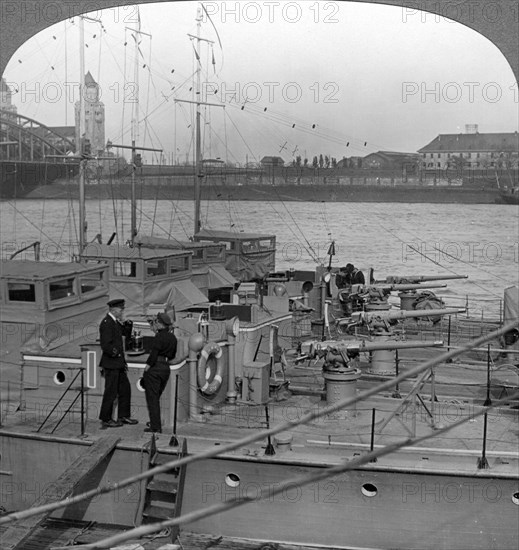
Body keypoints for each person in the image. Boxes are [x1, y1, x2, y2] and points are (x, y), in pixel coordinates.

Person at [98, 299, 139, 428]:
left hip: (118, 363)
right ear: (114, 310)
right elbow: (106, 345)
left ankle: (123, 416)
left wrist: (128, 325)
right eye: (121, 310)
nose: (122, 312)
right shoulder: (106, 323)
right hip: (111, 363)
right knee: (111, 391)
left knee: (125, 389)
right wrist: (116, 354)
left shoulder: (115, 322)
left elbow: (124, 334)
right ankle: (106, 418)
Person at [143, 312, 177, 434]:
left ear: (160, 324)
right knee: (156, 396)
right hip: (165, 369)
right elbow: (172, 355)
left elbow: (153, 354)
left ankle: (155, 427)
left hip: (155, 368)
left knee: (152, 399)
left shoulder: (158, 337)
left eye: (156, 322)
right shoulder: (172, 338)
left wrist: (146, 368)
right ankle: (155, 422)